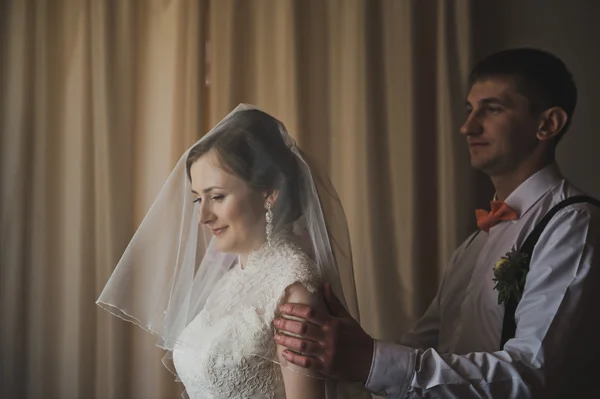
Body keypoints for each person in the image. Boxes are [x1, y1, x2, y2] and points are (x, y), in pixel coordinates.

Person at [274, 48, 600, 398]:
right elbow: (427, 345)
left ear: (547, 124)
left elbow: (533, 373)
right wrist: (345, 347)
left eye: (492, 109)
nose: (467, 126)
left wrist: (369, 359)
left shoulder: (574, 224)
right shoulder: (473, 244)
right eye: (469, 110)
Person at [96, 104, 371, 399]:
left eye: (217, 196)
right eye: (197, 200)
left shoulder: (294, 289)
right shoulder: (229, 280)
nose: (203, 217)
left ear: (269, 193)